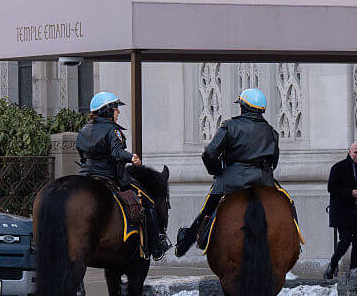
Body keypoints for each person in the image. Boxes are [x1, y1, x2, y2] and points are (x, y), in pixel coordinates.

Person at [174, 88, 280, 257]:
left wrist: (218, 171)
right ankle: (295, 239)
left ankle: (186, 243)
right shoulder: (272, 132)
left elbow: (209, 153)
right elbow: (273, 162)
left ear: (243, 107)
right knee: (288, 204)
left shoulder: (229, 126)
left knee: (207, 210)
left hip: (230, 181)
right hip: (263, 181)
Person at [76, 91, 170, 261]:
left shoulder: (84, 130)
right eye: (116, 109)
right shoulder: (113, 130)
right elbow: (117, 152)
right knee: (148, 201)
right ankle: (156, 247)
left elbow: (82, 155)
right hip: (109, 175)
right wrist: (132, 157)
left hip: (84, 175)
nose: (118, 112)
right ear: (108, 111)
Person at [324, 142, 357, 279]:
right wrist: (350, 193)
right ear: (349, 152)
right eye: (356, 153)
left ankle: (355, 273)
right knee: (345, 241)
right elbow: (332, 188)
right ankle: (332, 266)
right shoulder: (338, 167)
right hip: (345, 212)